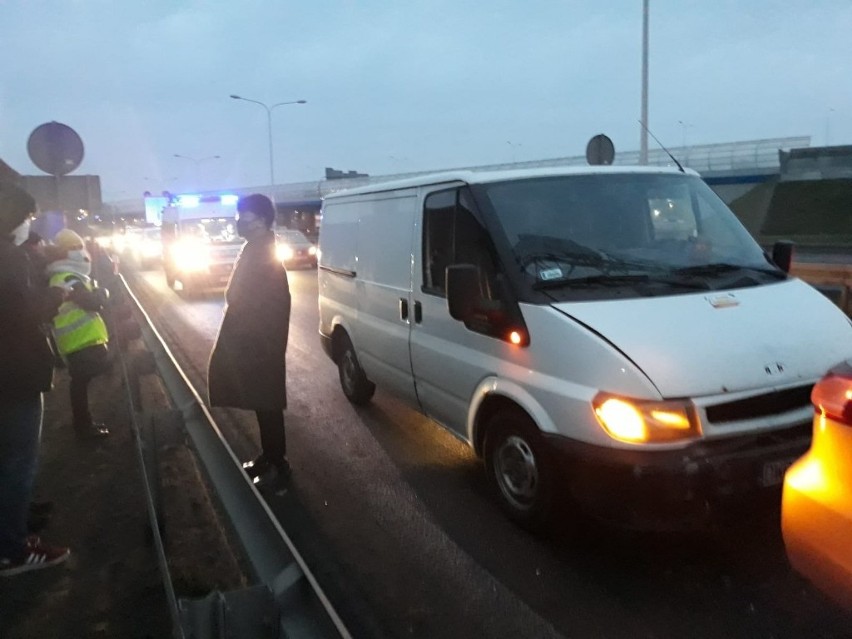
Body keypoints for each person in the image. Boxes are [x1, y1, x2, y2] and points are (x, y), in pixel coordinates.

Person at [0, 182, 70, 576]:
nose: (29, 224)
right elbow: (23, 313)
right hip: (16, 374)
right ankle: (13, 550)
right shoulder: (9, 258)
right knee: (17, 463)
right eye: (27, 217)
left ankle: (9, 536)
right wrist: (55, 296)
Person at [208, 193, 291, 489]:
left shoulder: (264, 255)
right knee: (261, 403)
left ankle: (278, 466)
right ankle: (269, 457)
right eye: (239, 217)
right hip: (253, 342)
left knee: (268, 405)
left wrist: (260, 345)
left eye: (246, 217)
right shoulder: (253, 248)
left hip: (260, 345)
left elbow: (272, 306)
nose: (240, 222)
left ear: (263, 221)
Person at [45, 229, 111, 439]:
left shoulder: (66, 274)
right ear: (63, 252)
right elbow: (92, 302)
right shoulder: (68, 277)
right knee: (81, 385)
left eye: (80, 246)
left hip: (79, 341)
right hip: (79, 342)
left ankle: (84, 424)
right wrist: (102, 293)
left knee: (80, 385)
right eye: (74, 248)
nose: (79, 251)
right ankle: (84, 428)